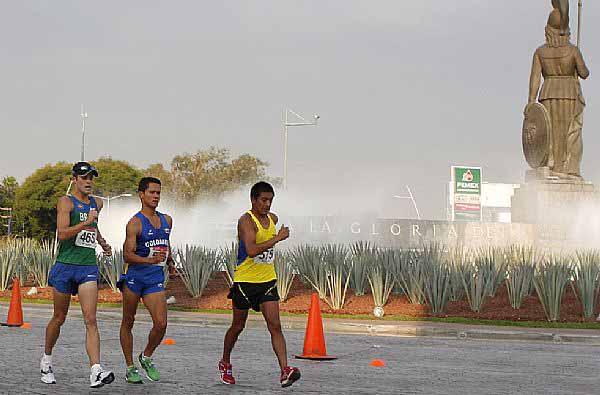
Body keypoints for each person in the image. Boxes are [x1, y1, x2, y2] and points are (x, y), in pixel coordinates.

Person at [219, 181, 301, 388]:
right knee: (238, 326)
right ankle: (225, 362)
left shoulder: (272, 219)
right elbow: (252, 250)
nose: (267, 204)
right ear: (253, 199)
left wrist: (275, 234)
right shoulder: (246, 221)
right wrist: (278, 238)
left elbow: (270, 230)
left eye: (271, 200)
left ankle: (285, 370)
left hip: (267, 282)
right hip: (245, 283)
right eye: (263, 200)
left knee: (275, 326)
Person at [40, 162, 115, 388]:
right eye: (84, 178)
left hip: (87, 267)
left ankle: (96, 371)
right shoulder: (66, 202)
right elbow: (62, 234)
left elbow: (94, 227)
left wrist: (101, 242)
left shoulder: (97, 203)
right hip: (65, 266)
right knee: (59, 318)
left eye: (91, 177)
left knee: (91, 319)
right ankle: (46, 360)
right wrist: (85, 222)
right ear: (74, 179)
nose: (89, 181)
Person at [119, 177, 174, 384]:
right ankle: (130, 367)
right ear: (141, 194)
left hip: (154, 280)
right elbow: (127, 255)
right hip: (135, 279)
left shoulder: (167, 220)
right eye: (152, 192)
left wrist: (171, 262)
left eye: (158, 193)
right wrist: (149, 260)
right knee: (128, 321)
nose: (156, 196)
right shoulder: (134, 223)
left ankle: (146, 356)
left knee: (161, 324)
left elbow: (165, 243)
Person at [528, 8, 590, 179]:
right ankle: (568, 169)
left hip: (547, 92)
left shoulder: (540, 52)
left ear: (548, 29)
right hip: (569, 93)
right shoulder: (573, 50)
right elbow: (585, 73)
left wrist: (531, 103)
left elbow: (534, 79)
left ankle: (552, 164)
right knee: (570, 132)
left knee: (550, 133)